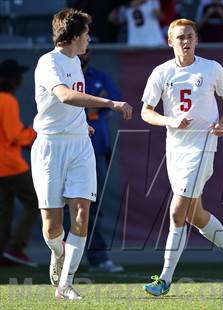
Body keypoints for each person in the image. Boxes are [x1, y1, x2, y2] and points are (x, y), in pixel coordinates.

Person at [140, 18, 223, 297]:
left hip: (203, 145)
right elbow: (146, 111)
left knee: (177, 211)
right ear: (170, 42)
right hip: (175, 147)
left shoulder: (211, 68)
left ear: (197, 40)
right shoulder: (161, 72)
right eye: (180, 37)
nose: (186, 41)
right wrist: (170, 121)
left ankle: (164, 279)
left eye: (190, 36)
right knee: (195, 214)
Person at [32, 8, 132, 300]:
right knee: (51, 227)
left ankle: (66, 283)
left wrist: (80, 126)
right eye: (87, 33)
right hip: (50, 147)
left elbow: (70, 106)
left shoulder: (76, 61)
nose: (89, 38)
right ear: (74, 36)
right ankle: (57, 253)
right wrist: (109, 102)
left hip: (79, 146)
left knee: (81, 213)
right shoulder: (48, 61)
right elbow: (64, 95)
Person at [77, 49, 124, 273]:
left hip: (97, 149)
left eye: (87, 48)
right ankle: (65, 258)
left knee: (93, 206)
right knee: (64, 207)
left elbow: (114, 100)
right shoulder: (64, 76)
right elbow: (67, 105)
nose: (83, 53)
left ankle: (97, 257)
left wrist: (91, 105)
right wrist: (93, 104)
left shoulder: (99, 76)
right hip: (71, 149)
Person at [0, 59, 38, 267]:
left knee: (4, 209)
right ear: (12, 80)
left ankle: (3, 252)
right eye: (18, 76)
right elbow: (15, 136)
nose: (21, 79)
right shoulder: (7, 100)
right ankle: (15, 248)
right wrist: (33, 131)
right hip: (10, 164)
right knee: (35, 200)